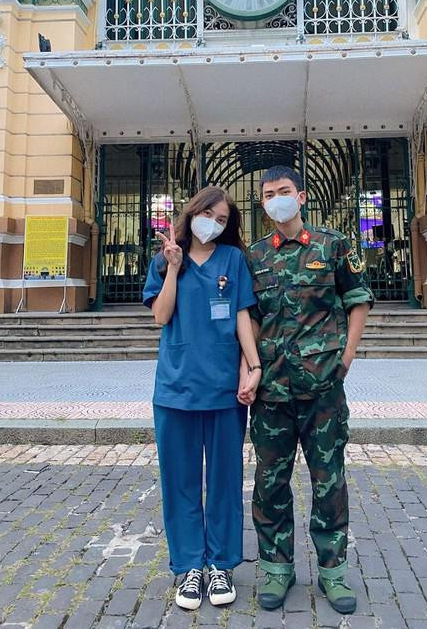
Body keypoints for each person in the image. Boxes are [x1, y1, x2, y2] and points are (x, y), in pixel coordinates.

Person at [244, 166, 374, 614]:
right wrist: (251, 367)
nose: (276, 199)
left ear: (300, 197)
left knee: (329, 481)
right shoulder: (254, 256)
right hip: (272, 394)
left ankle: (333, 572)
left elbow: (357, 300)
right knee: (270, 482)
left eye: (284, 192)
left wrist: (348, 357)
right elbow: (251, 317)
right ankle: (278, 568)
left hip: (322, 391)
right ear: (262, 204)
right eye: (268, 194)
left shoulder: (332, 245)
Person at [143, 186, 262, 612]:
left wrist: (254, 365)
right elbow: (161, 315)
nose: (213, 223)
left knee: (226, 482)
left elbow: (243, 314)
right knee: (181, 483)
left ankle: (221, 565)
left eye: (222, 218)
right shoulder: (164, 259)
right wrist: (173, 268)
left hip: (224, 392)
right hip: (175, 390)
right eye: (207, 213)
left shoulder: (233, 260)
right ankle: (190, 567)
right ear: (192, 212)